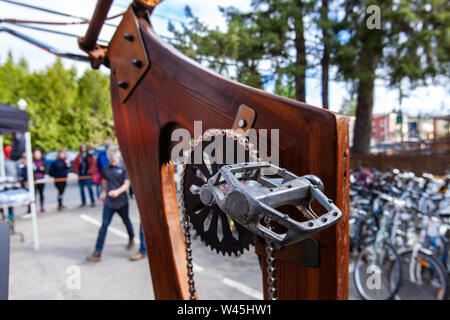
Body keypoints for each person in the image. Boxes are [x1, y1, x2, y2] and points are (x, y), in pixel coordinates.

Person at [86, 147, 135, 262]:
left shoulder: (123, 168)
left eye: (114, 159)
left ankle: (131, 238)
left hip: (121, 201)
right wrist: (103, 192)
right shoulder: (106, 169)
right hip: (109, 202)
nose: (113, 161)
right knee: (104, 226)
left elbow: (127, 184)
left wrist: (117, 192)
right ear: (108, 158)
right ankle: (97, 251)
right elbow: (104, 181)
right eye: (111, 159)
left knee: (126, 221)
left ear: (117, 158)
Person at [33, 148, 46, 212]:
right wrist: (39, 169)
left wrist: (41, 169)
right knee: (34, 194)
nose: (37, 155)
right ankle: (33, 207)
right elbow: (33, 170)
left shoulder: (43, 161)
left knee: (41, 193)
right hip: (34, 180)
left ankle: (42, 206)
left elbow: (45, 169)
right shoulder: (32, 161)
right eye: (36, 153)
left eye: (38, 153)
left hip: (41, 179)